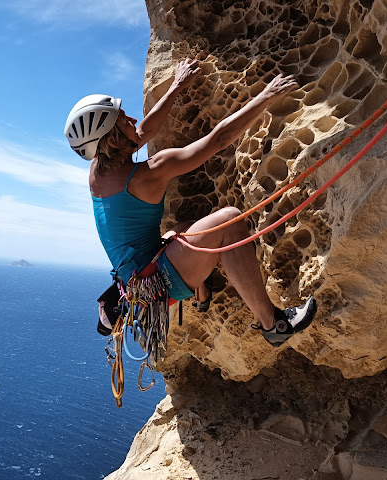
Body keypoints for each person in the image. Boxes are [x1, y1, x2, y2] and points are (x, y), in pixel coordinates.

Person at [64, 59, 316, 347]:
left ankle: (201, 292)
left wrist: (176, 86)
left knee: (187, 227)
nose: (133, 120)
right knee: (229, 221)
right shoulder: (150, 173)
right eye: (124, 120)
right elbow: (218, 140)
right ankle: (273, 323)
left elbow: (144, 131)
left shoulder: (99, 170)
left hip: (133, 280)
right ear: (111, 142)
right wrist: (267, 95)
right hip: (154, 283)